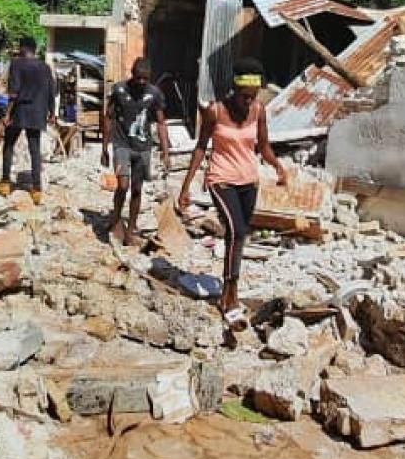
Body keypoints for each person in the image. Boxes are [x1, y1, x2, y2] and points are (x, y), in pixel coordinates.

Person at [177, 56, 287, 331]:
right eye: (244, 96)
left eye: (253, 96)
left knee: (240, 235)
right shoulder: (215, 111)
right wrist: (186, 185)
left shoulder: (259, 110)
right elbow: (201, 147)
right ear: (235, 90)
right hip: (220, 179)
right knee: (236, 231)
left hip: (249, 181)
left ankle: (229, 286)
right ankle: (231, 293)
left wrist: (278, 167)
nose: (248, 101)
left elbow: (263, 145)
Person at [102, 57, 171, 246]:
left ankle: (131, 227)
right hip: (121, 144)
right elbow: (108, 117)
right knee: (123, 185)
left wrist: (166, 152)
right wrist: (104, 147)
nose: (141, 82)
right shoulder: (119, 90)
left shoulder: (154, 94)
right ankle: (115, 217)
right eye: (139, 78)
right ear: (132, 74)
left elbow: (161, 123)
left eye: (145, 79)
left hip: (143, 148)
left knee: (137, 189)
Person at [0, 37, 56, 201]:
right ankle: (36, 189)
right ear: (35, 49)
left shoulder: (16, 63)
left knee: (9, 145)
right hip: (38, 113)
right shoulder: (45, 67)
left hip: (19, 111)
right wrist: (52, 113)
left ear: (23, 48)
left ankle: (5, 182)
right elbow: (52, 90)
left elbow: (14, 92)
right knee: (34, 149)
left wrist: (7, 114)